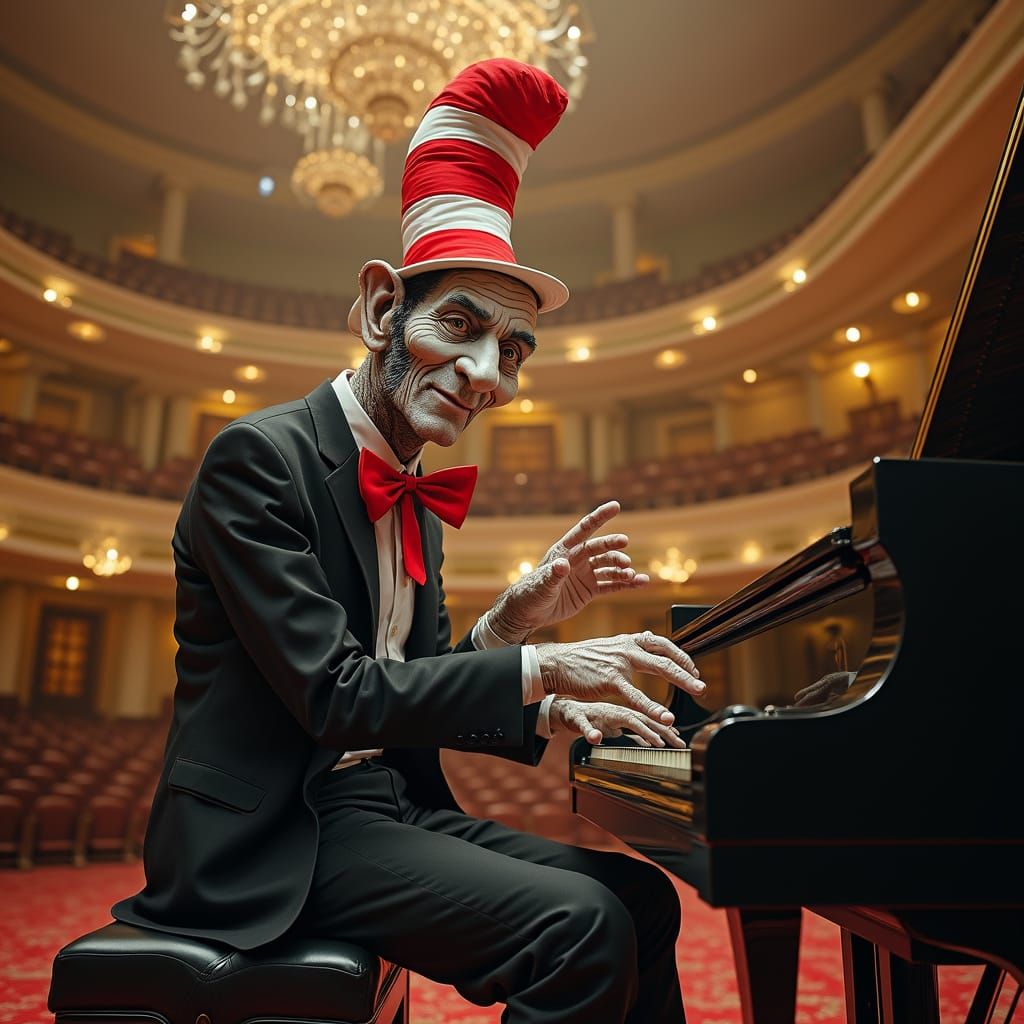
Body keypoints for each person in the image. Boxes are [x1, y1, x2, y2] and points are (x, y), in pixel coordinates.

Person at [112, 59, 704, 1023]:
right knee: (578, 927)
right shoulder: (257, 460)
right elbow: (337, 695)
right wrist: (546, 670)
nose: (486, 375)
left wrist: (511, 632)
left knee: (640, 901)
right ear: (385, 308)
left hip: (380, 807)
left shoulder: (417, 497)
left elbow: (411, 686)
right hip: (271, 838)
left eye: (513, 351)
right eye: (461, 326)